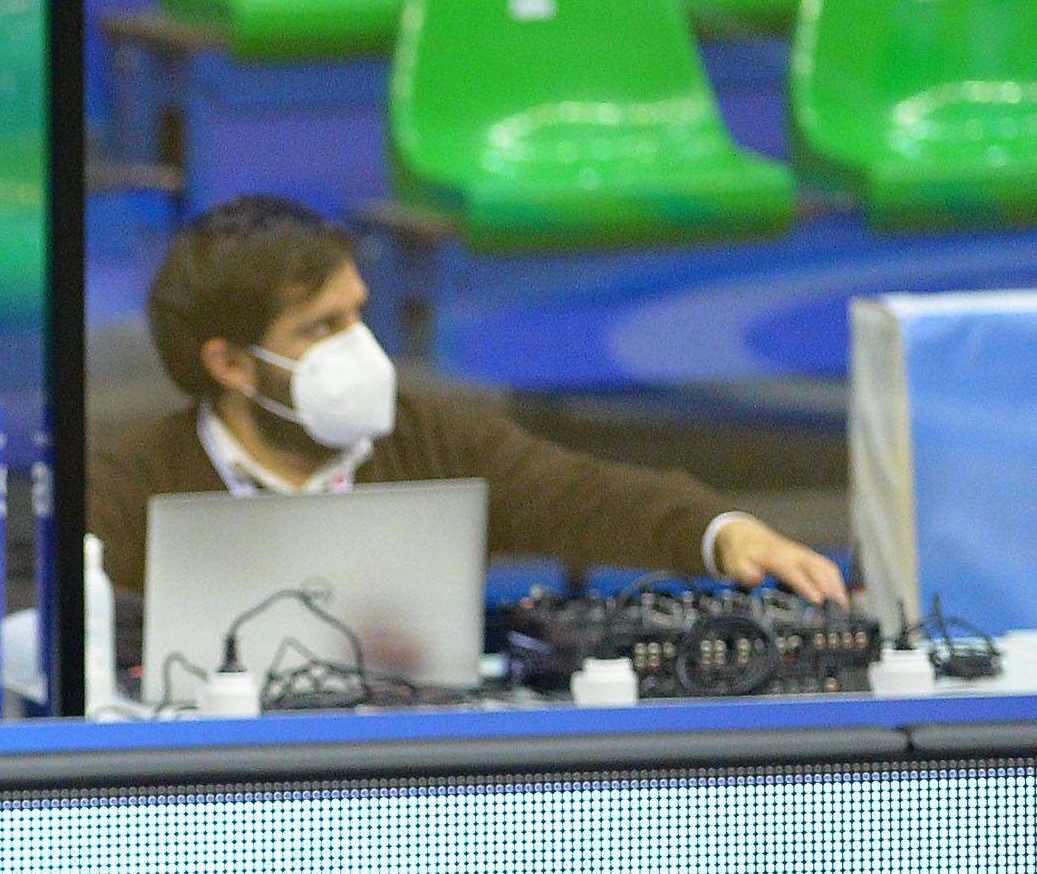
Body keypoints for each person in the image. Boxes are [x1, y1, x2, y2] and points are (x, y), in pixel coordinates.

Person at [88, 194, 850, 603]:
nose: (356, 346)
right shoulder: (127, 487)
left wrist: (725, 534)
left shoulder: (435, 439)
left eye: (356, 314)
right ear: (231, 364)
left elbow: (582, 497)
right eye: (319, 327)